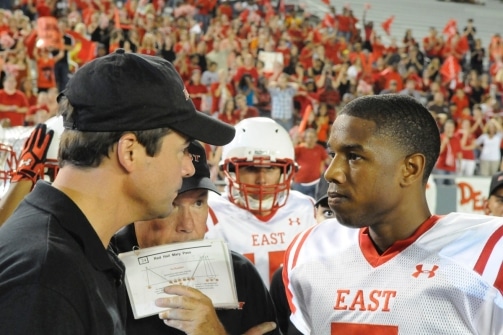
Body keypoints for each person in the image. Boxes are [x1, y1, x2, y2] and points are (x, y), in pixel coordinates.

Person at [0, 49, 236, 334]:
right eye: (183, 150)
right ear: (130, 151)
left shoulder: (71, 249)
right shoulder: (46, 278)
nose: (188, 168)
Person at [283, 94, 503, 334]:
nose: (331, 173)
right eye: (332, 155)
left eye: (354, 157)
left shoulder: (489, 257)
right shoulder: (310, 251)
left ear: (410, 169)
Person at [113, 140, 280, 335]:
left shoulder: (239, 273)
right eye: (172, 204)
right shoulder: (99, 273)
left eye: (199, 203)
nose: (187, 225)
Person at [205, 117, 318, 286]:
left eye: (271, 168)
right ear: (229, 171)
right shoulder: (210, 213)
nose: (262, 180)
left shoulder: (305, 208)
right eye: (251, 168)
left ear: (285, 171)